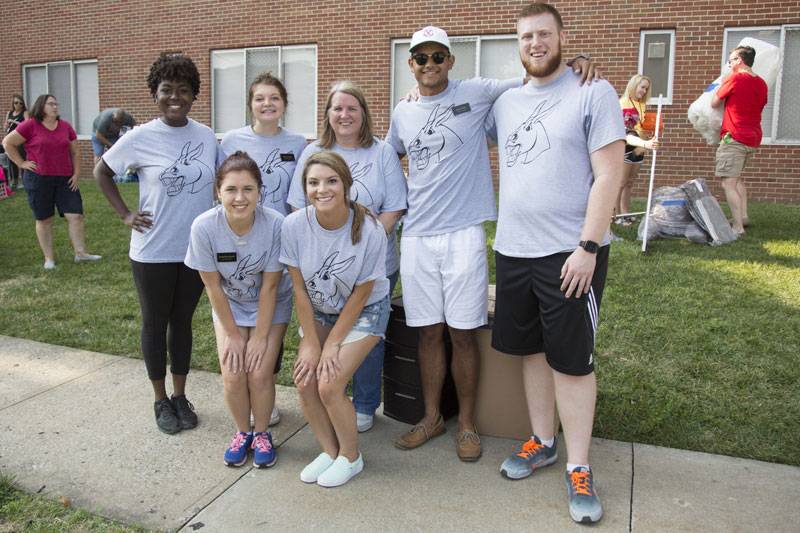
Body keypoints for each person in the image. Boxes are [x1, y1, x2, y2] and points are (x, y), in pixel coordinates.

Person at [385, 24, 597, 462]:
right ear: (411, 65)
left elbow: (537, 77)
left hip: (464, 232)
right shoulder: (401, 112)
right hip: (418, 236)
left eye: (438, 56)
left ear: (451, 60)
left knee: (463, 333)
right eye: (421, 58)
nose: (430, 65)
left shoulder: (479, 92)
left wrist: (576, 64)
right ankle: (430, 419)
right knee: (427, 333)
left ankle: (466, 423)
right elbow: (390, 158)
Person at [486, 3, 625, 524]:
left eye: (544, 34)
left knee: (572, 360)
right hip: (514, 249)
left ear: (562, 38)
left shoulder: (594, 91)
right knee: (531, 352)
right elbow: (454, 102)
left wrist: (588, 247)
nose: (535, 44)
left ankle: (579, 466)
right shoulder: (505, 102)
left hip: (571, 254)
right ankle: (543, 441)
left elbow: (609, 175)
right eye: (526, 37)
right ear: (517, 44)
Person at [94, 53, 219, 434]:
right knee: (154, 322)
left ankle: (181, 396)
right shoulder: (140, 137)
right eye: (167, 90)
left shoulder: (206, 136)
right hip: (152, 250)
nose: (175, 97)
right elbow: (102, 172)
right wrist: (125, 215)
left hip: (194, 250)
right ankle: (160, 399)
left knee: (182, 322)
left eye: (183, 90)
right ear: (155, 94)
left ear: (194, 94)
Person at [287, 80, 407, 433]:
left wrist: (359, 247)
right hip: (322, 271)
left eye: (352, 108)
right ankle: (329, 394)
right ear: (327, 114)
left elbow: (394, 208)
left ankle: (366, 403)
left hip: (375, 264)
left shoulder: (382, 152)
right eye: (337, 108)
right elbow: (298, 206)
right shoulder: (313, 153)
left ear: (363, 114)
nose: (344, 115)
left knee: (366, 337)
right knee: (326, 334)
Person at [281, 151, 390, 487]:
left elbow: (361, 293)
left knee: (329, 383)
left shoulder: (370, 229)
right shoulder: (294, 225)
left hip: (366, 309)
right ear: (305, 188)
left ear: (346, 185)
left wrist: (332, 345)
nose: (322, 189)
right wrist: (312, 342)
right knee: (304, 379)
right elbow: (299, 289)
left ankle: (351, 457)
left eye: (331, 181)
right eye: (313, 182)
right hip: (318, 310)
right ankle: (330, 451)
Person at [185, 151, 285, 468]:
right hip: (229, 305)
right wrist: (233, 335)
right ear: (218, 191)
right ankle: (243, 432)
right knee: (232, 373)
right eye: (231, 189)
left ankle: (262, 433)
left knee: (258, 372)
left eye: (248, 189)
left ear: (260, 191)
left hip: (271, 305)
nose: (240, 198)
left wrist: (259, 338)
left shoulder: (275, 225)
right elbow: (212, 286)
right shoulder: (204, 227)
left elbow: (270, 287)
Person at [220, 72, 308, 428]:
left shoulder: (299, 143)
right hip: (241, 243)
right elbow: (224, 185)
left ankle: (265, 391)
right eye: (260, 98)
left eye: (274, 98)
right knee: (245, 326)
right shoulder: (232, 141)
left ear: (284, 104)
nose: (267, 104)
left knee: (272, 325)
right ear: (250, 104)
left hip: (281, 242)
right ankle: (251, 403)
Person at [2, 94, 102, 269]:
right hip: (38, 179)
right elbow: (8, 143)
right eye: (50, 104)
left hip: (65, 179)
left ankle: (81, 253)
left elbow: (75, 152)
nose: (55, 107)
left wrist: (76, 174)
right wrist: (21, 163)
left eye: (56, 104)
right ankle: (49, 258)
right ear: (41, 107)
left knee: (76, 215)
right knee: (44, 219)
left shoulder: (65, 127)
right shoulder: (30, 125)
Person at [711, 45, 768, 235]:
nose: (730, 64)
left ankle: (737, 227)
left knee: (728, 183)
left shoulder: (735, 78)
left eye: (731, 61)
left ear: (739, 61)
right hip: (752, 138)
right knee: (736, 179)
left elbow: (714, 102)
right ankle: (742, 216)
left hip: (733, 137)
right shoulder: (761, 83)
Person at [617, 74, 659, 224]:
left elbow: (640, 127)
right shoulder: (623, 103)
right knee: (621, 182)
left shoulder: (642, 105)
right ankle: (616, 216)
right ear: (634, 85)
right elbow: (627, 129)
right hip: (627, 146)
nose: (644, 91)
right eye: (642, 87)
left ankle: (626, 212)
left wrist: (648, 133)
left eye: (646, 89)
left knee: (630, 182)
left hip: (640, 146)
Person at [4, 94, 28, 189]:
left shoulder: (24, 113)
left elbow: (27, 124)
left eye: (20, 103)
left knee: (22, 159)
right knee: (11, 160)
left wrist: (15, 122)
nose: (18, 105)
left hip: (20, 139)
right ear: (13, 103)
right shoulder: (9, 113)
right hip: (10, 139)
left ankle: (25, 181)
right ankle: (14, 182)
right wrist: (6, 125)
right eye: (16, 103)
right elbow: (5, 127)